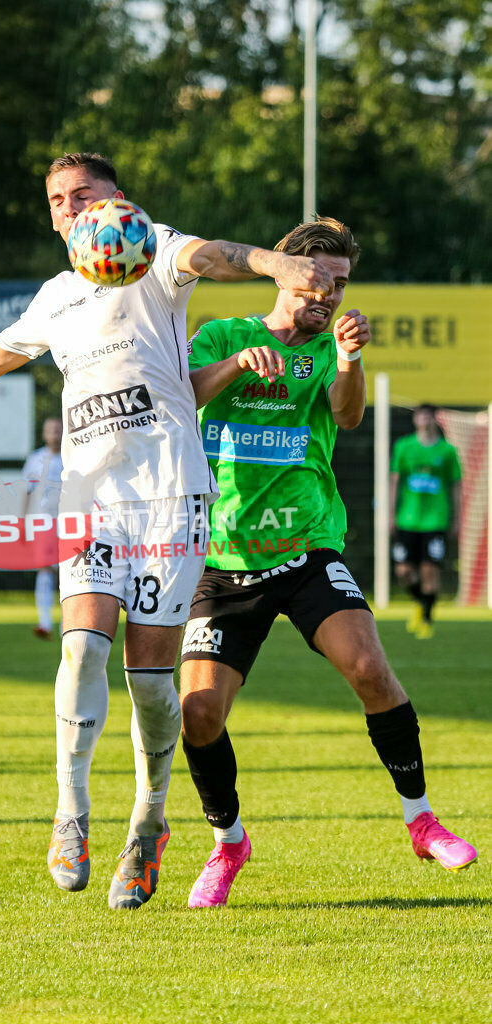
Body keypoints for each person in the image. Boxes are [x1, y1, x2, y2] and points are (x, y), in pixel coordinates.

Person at [0, 151, 335, 910]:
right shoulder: (58, 295)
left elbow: (209, 254)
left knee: (149, 684)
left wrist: (273, 264)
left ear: (118, 203)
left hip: (170, 495)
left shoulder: (153, 254)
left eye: (83, 195)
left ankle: (149, 821)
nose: (69, 209)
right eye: (58, 201)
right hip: (92, 496)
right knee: (79, 645)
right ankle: (70, 812)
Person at [180, 216, 478, 909]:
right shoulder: (224, 334)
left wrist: (348, 361)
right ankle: (228, 843)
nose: (328, 297)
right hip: (220, 562)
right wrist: (234, 365)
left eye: (339, 285)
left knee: (370, 668)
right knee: (198, 714)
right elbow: (180, 396)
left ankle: (420, 820)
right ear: (285, 273)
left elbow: (346, 418)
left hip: (307, 547)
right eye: (318, 282)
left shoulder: (329, 349)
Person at [390, 405, 461, 639]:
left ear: (435, 420)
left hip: (435, 520)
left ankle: (427, 620)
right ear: (415, 419)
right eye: (421, 415)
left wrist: (457, 518)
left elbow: (456, 486)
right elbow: (394, 482)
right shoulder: (404, 447)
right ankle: (423, 602)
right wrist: (390, 514)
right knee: (403, 571)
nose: (425, 420)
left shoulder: (447, 451)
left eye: (429, 416)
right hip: (408, 519)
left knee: (430, 569)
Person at [22, 417, 64, 639]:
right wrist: (22, 521)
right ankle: (44, 622)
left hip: (69, 522)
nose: (54, 434)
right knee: (44, 569)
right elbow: (27, 491)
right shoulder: (36, 459)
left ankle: (67, 625)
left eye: (58, 429)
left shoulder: (72, 456)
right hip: (43, 521)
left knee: (68, 572)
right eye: (50, 430)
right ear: (44, 433)